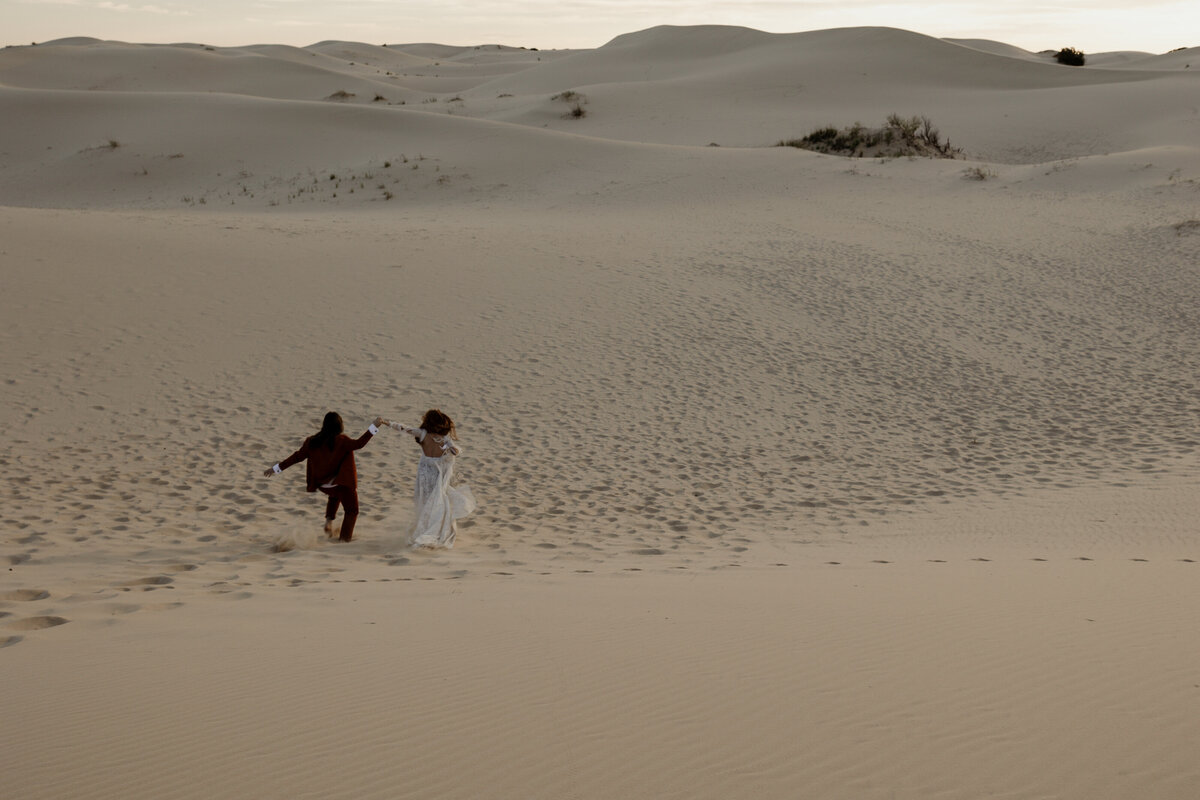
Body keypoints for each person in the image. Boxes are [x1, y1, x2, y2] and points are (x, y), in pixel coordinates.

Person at [264, 412, 383, 543]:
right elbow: (359, 444)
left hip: (324, 485)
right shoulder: (342, 441)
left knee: (335, 495)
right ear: (340, 426)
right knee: (351, 511)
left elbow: (296, 457)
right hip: (340, 485)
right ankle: (344, 540)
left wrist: (275, 469)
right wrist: (374, 426)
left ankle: (328, 521)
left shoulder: (311, 442)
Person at [380, 409, 476, 548]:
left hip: (424, 472)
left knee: (425, 501)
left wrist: (386, 423)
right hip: (437, 474)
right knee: (437, 500)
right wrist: (449, 449)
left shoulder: (423, 434)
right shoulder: (445, 439)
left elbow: (403, 428)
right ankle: (434, 531)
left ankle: (424, 528)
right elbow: (456, 451)